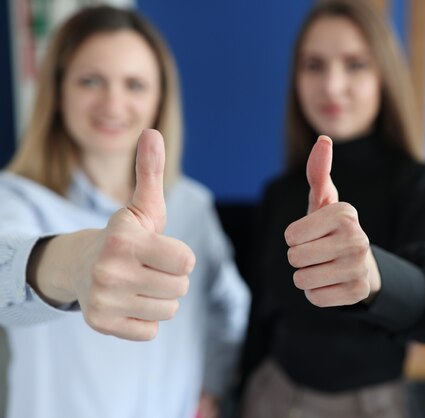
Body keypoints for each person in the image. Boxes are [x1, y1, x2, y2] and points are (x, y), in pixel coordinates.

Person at [0, 6, 250, 418]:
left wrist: (216, 386)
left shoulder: (191, 204)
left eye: (134, 84)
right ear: (58, 93)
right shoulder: (17, 198)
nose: (113, 102)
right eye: (90, 81)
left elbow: (229, 310)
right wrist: (76, 264)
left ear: (158, 99)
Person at [239, 1, 425, 417]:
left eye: (355, 64)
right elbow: (261, 320)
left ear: (384, 75)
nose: (331, 85)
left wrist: (370, 272)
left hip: (375, 404)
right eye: (314, 65)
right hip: (271, 397)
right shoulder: (279, 192)